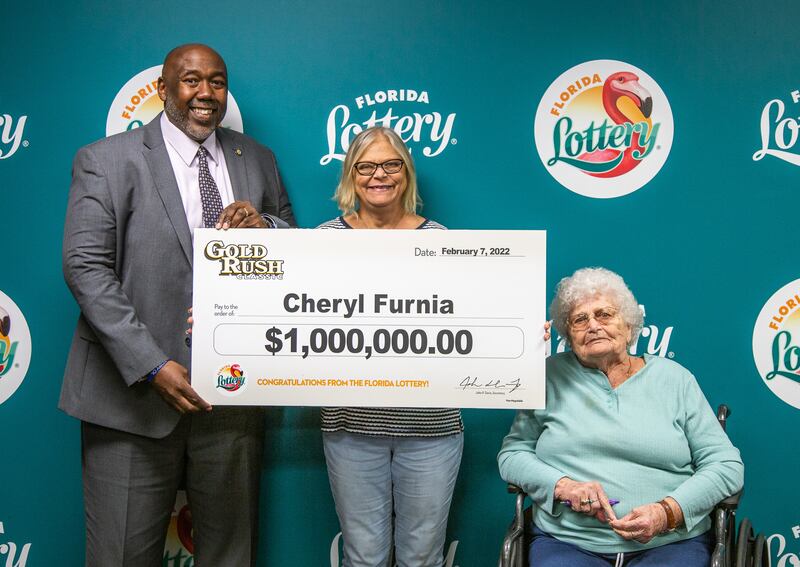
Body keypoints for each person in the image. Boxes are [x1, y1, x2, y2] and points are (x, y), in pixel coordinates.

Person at [60, 44, 295, 566]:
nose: (205, 94)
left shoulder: (256, 159)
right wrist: (151, 364)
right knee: (121, 556)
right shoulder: (106, 159)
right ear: (164, 89)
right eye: (191, 81)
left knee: (231, 556)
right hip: (130, 401)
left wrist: (268, 228)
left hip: (231, 400)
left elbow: (291, 247)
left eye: (217, 81)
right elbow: (86, 268)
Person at [498, 267, 743, 567]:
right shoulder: (548, 376)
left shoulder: (675, 380)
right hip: (568, 543)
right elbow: (513, 454)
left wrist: (668, 512)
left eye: (604, 314)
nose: (593, 326)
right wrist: (563, 486)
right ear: (567, 335)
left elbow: (726, 465)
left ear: (629, 326)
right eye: (580, 319)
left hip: (670, 544)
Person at [318, 126, 463, 567]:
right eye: (366, 166)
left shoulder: (442, 241)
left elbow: (473, 323)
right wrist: (223, 321)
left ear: (406, 172)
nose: (379, 175)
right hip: (350, 426)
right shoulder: (322, 241)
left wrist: (516, 332)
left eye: (390, 164)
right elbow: (284, 315)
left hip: (431, 428)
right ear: (351, 175)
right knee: (363, 557)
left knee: (422, 558)